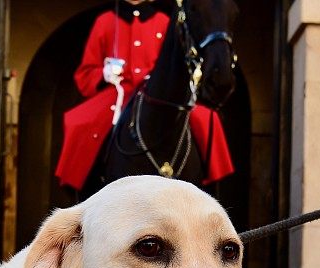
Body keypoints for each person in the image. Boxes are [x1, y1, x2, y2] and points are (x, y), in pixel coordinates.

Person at [55, 0, 234, 192]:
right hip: (118, 92)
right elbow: (85, 73)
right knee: (80, 123)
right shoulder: (105, 21)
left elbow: (177, 59)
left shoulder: (164, 21)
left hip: (158, 90)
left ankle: (210, 186)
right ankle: (84, 190)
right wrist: (104, 73)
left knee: (208, 120)